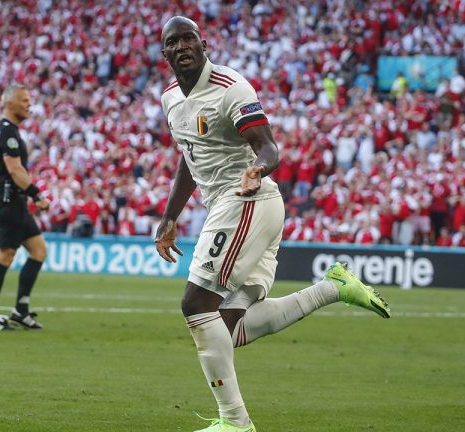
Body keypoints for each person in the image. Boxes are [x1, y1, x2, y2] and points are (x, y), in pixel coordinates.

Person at [154, 17, 390, 432]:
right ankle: (333, 287)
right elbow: (189, 160)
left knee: (195, 304)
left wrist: (257, 169)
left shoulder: (232, 88)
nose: (182, 46)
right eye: (173, 42)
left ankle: (235, 423)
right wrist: (170, 216)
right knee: (228, 327)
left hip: (247, 199)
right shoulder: (171, 98)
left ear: (203, 43)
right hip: (231, 206)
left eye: (189, 37)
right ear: (165, 54)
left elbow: (268, 147)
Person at [0, 85, 50, 331]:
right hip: (9, 202)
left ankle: (20, 310)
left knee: (38, 250)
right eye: (25, 100)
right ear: (9, 103)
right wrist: (36, 194)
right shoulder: (6, 132)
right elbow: (15, 169)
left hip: (17, 204)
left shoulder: (11, 132)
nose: (29, 105)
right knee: (4, 256)